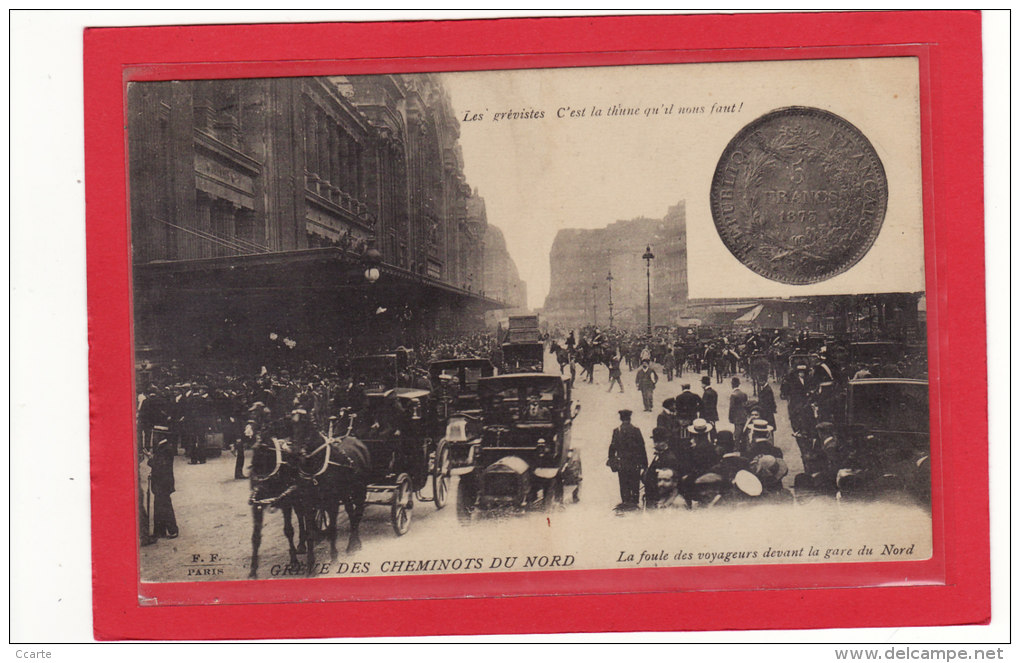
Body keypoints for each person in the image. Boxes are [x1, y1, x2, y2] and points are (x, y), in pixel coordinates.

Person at [607, 409, 648, 510]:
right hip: (635, 462)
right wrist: (645, 464)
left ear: (621, 419)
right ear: (630, 418)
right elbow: (642, 447)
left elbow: (612, 447)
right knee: (635, 482)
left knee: (623, 482)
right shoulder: (636, 430)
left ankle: (625, 501)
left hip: (622, 463)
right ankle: (634, 502)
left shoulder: (617, 431)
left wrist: (611, 460)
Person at [148, 430, 179, 539]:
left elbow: (160, 465)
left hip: (163, 483)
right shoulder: (163, 448)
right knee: (159, 506)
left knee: (165, 506)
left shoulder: (165, 449)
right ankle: (160, 531)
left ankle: (173, 530)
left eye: (155, 435)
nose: (153, 437)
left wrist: (150, 460)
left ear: (160, 436)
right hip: (161, 482)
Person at [643, 426, 682, 507]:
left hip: (660, 498)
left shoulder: (669, 458)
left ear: (666, 441)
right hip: (651, 496)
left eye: (660, 441)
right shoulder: (659, 455)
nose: (656, 444)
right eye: (655, 441)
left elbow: (670, 481)